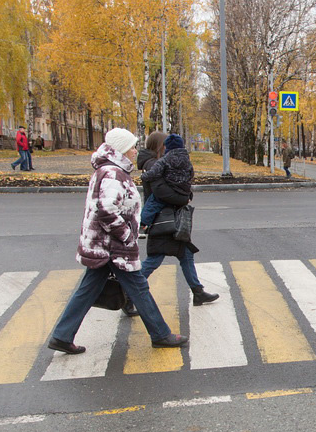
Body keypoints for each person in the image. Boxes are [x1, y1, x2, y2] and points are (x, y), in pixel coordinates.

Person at [47, 128, 188, 354]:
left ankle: (62, 336)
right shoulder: (113, 173)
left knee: (87, 290)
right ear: (121, 149)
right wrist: (125, 234)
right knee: (139, 288)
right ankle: (161, 334)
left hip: (103, 244)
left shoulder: (109, 170)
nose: (135, 151)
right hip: (113, 246)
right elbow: (106, 209)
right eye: (132, 146)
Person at [134, 133, 219, 311]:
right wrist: (184, 198)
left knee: (186, 254)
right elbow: (161, 192)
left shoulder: (161, 162)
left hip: (169, 217)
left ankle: (198, 292)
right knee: (155, 259)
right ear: (160, 146)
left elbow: (180, 184)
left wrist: (187, 193)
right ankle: (129, 292)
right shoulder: (153, 164)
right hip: (163, 219)